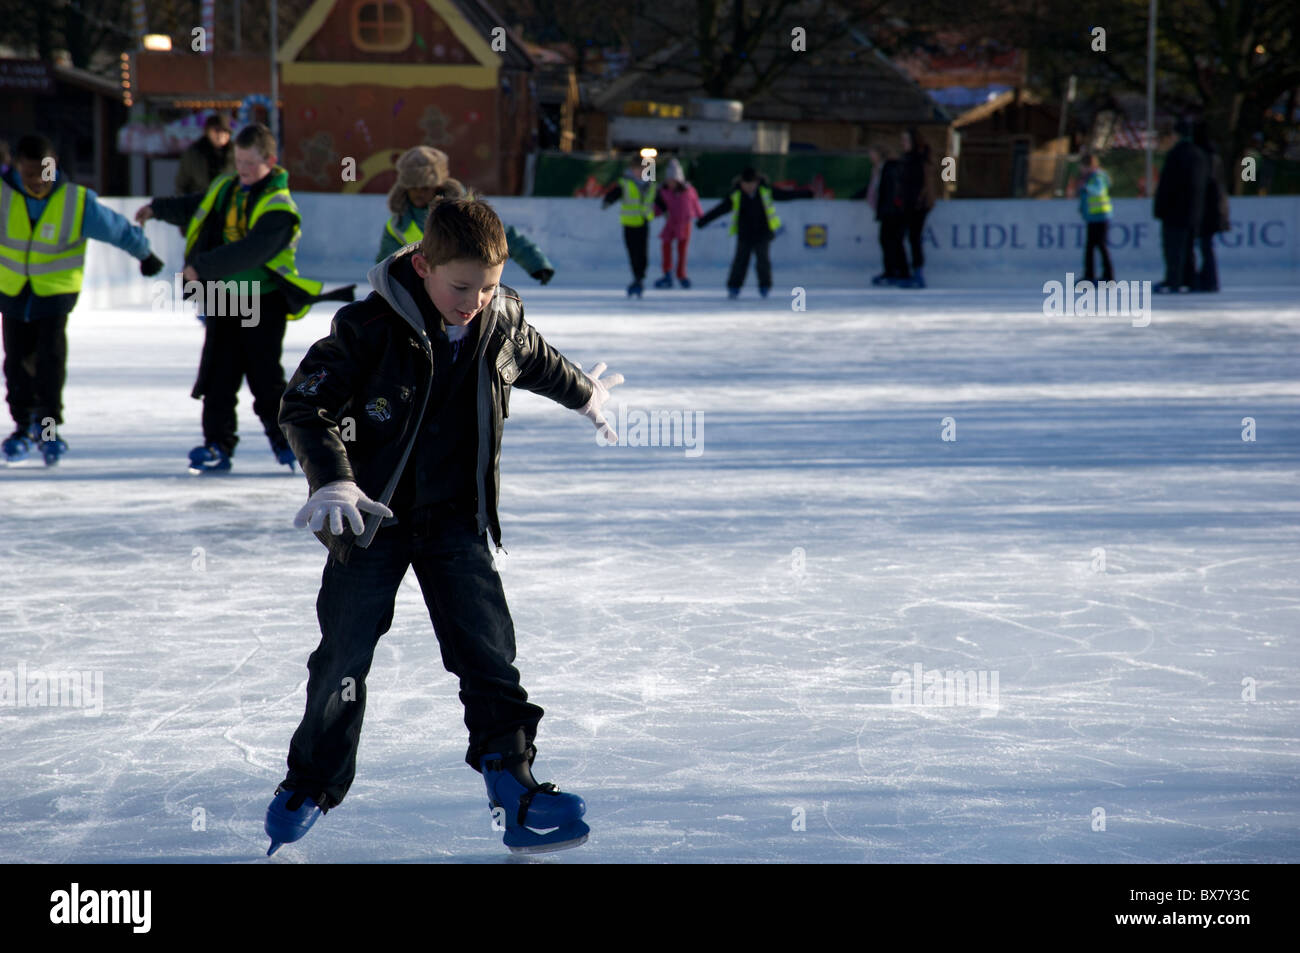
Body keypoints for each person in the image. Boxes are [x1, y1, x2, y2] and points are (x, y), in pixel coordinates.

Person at [264, 195, 623, 856]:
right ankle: (311, 781)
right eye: (461, 286)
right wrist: (333, 477)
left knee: (488, 650)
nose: (475, 301)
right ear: (423, 265)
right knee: (343, 656)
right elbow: (304, 401)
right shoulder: (369, 327)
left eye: (487, 287)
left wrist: (586, 392)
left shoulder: (500, 319)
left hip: (457, 518)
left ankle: (513, 784)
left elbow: (538, 359)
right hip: (371, 521)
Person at [136, 122, 350, 473]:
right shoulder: (227, 187)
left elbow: (251, 251)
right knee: (218, 376)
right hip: (225, 299)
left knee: (265, 380)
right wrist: (157, 208)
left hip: (263, 302)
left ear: (270, 160)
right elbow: (197, 206)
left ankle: (288, 444)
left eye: (250, 163)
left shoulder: (279, 206)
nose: (243, 169)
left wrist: (200, 268)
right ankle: (217, 445)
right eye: (238, 161)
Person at [1, 134, 163, 465]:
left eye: (44, 173)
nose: (38, 182)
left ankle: (47, 431)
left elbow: (116, 228)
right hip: (12, 293)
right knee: (16, 363)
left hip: (55, 296)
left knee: (49, 365)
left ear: (54, 166)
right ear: (17, 168)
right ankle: (22, 427)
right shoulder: (3, 196)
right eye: (30, 174)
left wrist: (144, 253)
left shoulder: (75, 201)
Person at [376, 147, 555, 284]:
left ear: (438, 186)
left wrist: (536, 263)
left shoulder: (467, 212)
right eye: (412, 188)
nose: (417, 193)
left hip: (467, 288)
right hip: (421, 293)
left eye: (424, 187)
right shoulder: (398, 225)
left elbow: (505, 235)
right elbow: (385, 264)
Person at [695, 167, 813, 298]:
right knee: (740, 261)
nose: (748, 187)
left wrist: (806, 193)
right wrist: (703, 221)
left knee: (763, 260)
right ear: (741, 183)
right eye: (745, 184)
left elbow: (786, 195)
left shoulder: (765, 191)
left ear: (756, 182)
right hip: (744, 234)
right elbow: (720, 209)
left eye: (751, 184)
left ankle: (765, 286)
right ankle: (734, 287)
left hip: (763, 233)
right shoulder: (736, 194)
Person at [1153, 118, 1209, 293]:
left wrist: (1160, 208)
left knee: (1173, 248)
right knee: (1189, 248)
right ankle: (1189, 279)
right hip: (1194, 211)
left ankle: (1174, 280)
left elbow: (1167, 185)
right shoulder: (1199, 154)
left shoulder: (1176, 154)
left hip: (1174, 211)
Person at [600, 154, 657, 297]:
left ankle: (640, 277)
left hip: (643, 221)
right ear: (632, 169)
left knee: (642, 252)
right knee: (633, 252)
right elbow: (616, 193)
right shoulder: (625, 182)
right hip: (629, 222)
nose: (639, 171)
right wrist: (608, 200)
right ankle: (636, 277)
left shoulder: (650, 182)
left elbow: (658, 198)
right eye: (636, 169)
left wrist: (665, 209)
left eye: (642, 168)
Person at [651, 157, 702, 288]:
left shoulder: (688, 191)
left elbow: (695, 204)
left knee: (682, 250)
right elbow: (658, 208)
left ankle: (681, 274)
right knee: (666, 246)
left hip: (685, 224)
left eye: (673, 180)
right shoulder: (663, 191)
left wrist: (701, 217)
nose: (670, 183)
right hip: (670, 223)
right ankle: (667, 272)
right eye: (669, 180)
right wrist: (650, 214)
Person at [1192, 121, 1230, 292]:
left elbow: (1208, 186)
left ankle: (1209, 280)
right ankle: (1207, 278)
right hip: (1215, 208)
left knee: (1206, 246)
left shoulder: (1205, 157)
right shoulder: (1213, 156)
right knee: (1206, 246)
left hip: (1209, 210)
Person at [899, 127, 934, 288]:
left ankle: (918, 273)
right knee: (909, 238)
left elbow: (924, 183)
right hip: (909, 204)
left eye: (906, 140)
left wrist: (918, 202)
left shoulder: (920, 159)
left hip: (918, 206)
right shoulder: (906, 159)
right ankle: (909, 271)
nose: (903, 143)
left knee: (914, 238)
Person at [175, 113, 235, 197]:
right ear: (207, 131)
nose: (221, 135)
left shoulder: (236, 154)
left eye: (225, 131)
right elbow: (181, 184)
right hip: (199, 204)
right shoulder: (193, 154)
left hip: (227, 203)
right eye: (217, 130)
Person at [1077, 153, 1114, 284]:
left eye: (1082, 166)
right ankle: (1089, 274)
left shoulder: (1097, 177)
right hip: (1092, 217)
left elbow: (1099, 190)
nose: (1080, 169)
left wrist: (1086, 188)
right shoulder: (1088, 178)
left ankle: (1109, 276)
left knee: (1101, 245)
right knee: (1090, 247)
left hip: (1100, 216)